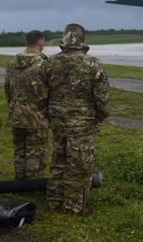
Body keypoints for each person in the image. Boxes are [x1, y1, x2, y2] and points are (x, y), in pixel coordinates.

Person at [44, 23, 110, 216]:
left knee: (59, 161)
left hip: (57, 121)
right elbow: (103, 98)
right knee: (80, 166)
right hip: (81, 124)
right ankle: (74, 207)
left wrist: (50, 114)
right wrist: (101, 115)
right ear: (82, 39)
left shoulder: (50, 62)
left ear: (64, 38)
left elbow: (43, 92)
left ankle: (55, 201)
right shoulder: (92, 64)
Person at [4, 30, 49, 180]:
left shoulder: (12, 64)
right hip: (37, 116)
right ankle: (33, 183)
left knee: (20, 150)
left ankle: (20, 181)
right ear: (41, 43)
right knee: (36, 151)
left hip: (16, 114)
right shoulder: (44, 64)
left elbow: (8, 89)